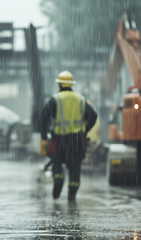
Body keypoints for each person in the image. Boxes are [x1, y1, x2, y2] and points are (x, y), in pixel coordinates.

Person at [40, 71, 97, 201]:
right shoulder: (81, 99)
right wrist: (85, 130)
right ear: (71, 84)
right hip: (77, 140)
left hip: (59, 140)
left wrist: (44, 135)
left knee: (57, 162)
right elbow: (93, 116)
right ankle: (72, 194)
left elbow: (43, 117)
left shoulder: (55, 99)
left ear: (60, 84)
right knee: (75, 167)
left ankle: (58, 179)